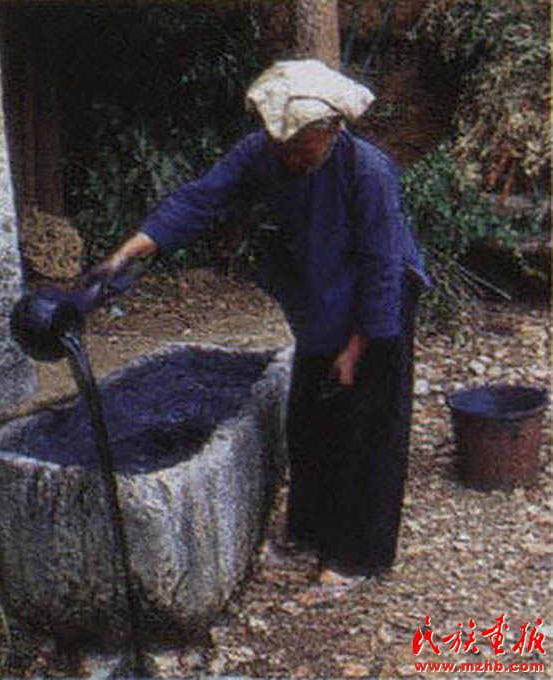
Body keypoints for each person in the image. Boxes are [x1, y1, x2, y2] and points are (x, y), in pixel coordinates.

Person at [89, 59, 429, 592]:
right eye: (284, 147)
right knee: (310, 418)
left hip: (377, 304)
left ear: (332, 131)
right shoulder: (263, 153)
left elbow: (381, 266)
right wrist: (125, 254)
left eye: (302, 149)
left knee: (365, 429)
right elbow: (198, 200)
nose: (291, 158)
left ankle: (356, 556)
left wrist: (356, 347)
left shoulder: (368, 172)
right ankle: (309, 529)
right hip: (322, 296)